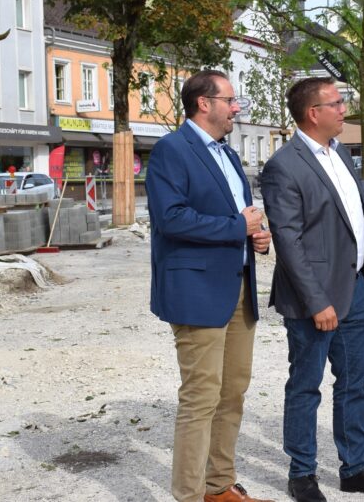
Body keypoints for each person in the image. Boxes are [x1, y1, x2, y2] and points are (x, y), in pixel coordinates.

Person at [260, 77, 364, 502]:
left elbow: (356, 196)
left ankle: (354, 468)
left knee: (355, 382)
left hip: (353, 289)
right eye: (336, 103)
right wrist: (318, 302)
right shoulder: (284, 166)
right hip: (313, 296)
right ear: (313, 113)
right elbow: (288, 240)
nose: (344, 109)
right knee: (306, 385)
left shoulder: (341, 155)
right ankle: (302, 474)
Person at [146, 70, 273, 502]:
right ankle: (189, 494)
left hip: (238, 286)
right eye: (231, 100)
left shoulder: (230, 156)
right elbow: (171, 218)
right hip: (196, 291)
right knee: (200, 398)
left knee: (233, 392)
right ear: (204, 103)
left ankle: (219, 486)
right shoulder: (171, 151)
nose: (236, 108)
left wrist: (256, 234)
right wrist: (237, 225)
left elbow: (238, 216)